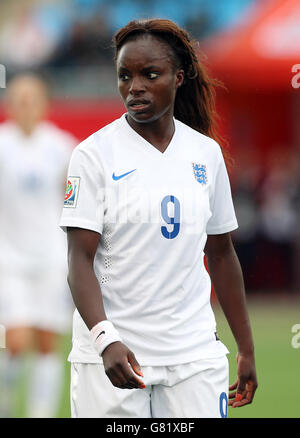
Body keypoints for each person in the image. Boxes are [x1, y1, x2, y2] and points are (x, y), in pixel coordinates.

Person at [60, 18, 257, 418]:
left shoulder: (205, 154)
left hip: (194, 354)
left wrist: (246, 348)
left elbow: (220, 254)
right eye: (124, 75)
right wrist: (104, 339)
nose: (135, 87)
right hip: (114, 354)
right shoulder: (92, 155)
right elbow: (79, 261)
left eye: (150, 74)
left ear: (178, 77)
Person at [0, 74, 77, 417]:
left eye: (32, 98)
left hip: (51, 257)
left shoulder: (62, 146)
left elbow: (78, 199)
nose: (25, 105)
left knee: (47, 343)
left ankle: (39, 413)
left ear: (44, 103)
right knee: (13, 341)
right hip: (8, 259)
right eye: (19, 98)